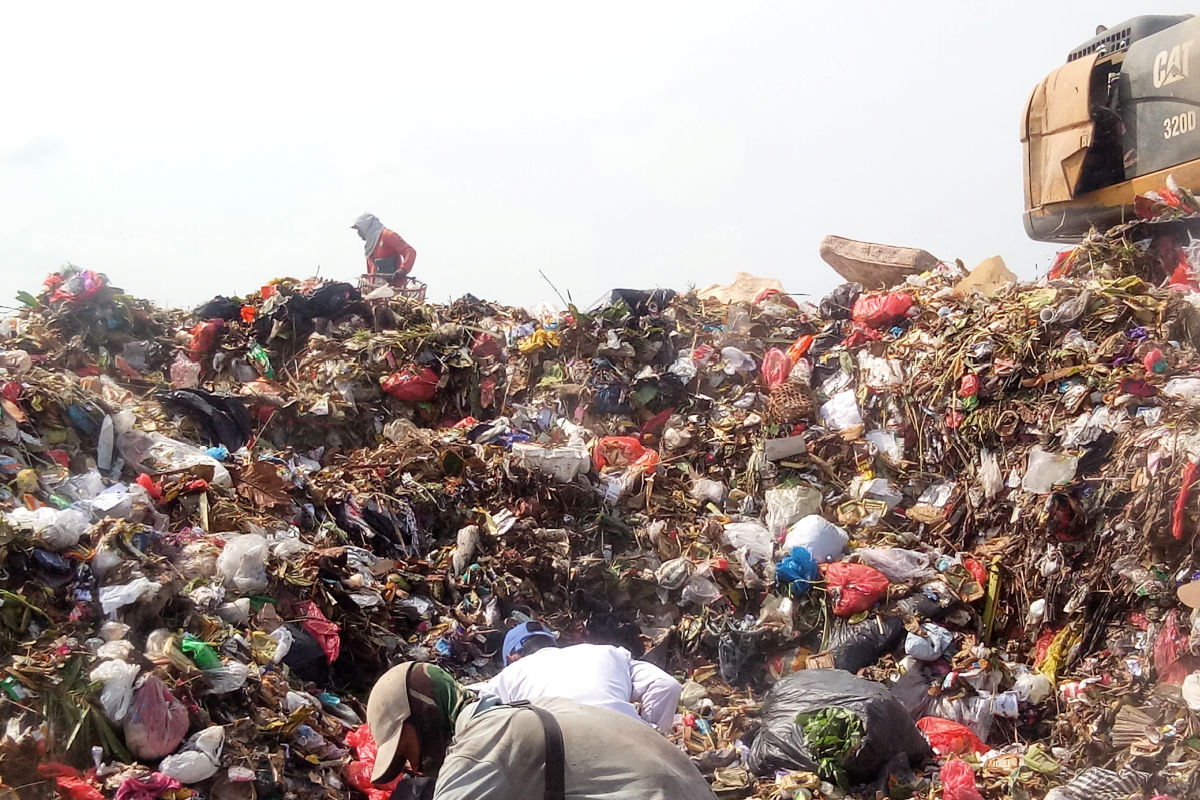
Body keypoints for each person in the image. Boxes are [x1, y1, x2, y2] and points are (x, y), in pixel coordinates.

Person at [367, 661, 717, 800]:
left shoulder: (480, 747)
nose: (412, 768)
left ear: (424, 713)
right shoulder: (535, 707)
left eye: (403, 753)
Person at [475, 621, 682, 734]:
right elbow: (667, 685)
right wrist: (651, 735)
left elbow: (476, 706)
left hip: (560, 747)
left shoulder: (512, 673)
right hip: (628, 736)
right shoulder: (609, 652)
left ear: (512, 657)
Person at [351, 213, 416, 285]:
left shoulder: (387, 235)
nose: (358, 233)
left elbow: (410, 251)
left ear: (366, 226)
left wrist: (403, 269)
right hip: (376, 290)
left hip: (394, 289)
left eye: (359, 229)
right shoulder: (370, 246)